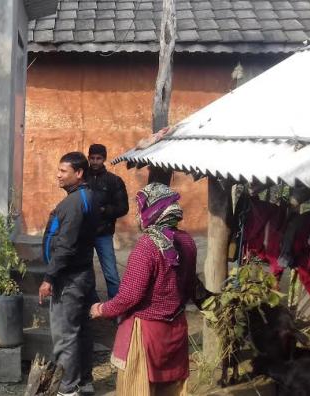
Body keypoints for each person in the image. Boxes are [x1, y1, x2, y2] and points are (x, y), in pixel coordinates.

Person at [90, 183, 197, 395]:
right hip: (175, 329)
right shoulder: (187, 241)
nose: (138, 215)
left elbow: (129, 296)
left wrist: (101, 309)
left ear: (154, 210)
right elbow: (189, 286)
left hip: (146, 333)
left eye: (141, 208)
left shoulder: (147, 246)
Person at [39, 152, 99, 396]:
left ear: (79, 173)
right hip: (83, 273)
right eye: (58, 170)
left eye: (63, 171)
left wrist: (49, 277)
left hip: (70, 279)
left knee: (65, 336)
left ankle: (68, 389)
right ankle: (84, 382)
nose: (58, 175)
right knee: (81, 331)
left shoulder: (73, 204)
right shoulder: (88, 196)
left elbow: (66, 246)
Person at [86, 143, 128, 299]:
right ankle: (90, 307)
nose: (95, 161)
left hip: (104, 233)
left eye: (99, 158)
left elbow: (123, 208)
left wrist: (104, 210)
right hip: (84, 233)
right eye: (92, 158)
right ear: (88, 158)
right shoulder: (81, 178)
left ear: (104, 159)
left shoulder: (114, 181)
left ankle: (116, 311)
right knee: (86, 274)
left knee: (111, 274)